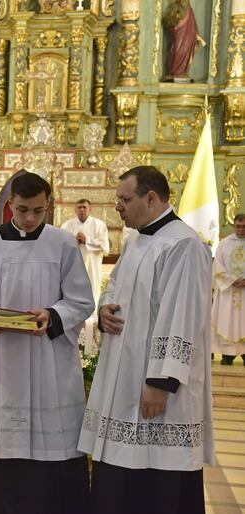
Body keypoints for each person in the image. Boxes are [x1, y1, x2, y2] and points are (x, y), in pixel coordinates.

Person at [78, 166, 213, 514]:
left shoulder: (184, 244)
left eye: (125, 200)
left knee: (156, 485)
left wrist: (161, 382)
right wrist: (105, 308)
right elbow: (116, 288)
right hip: (122, 383)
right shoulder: (136, 240)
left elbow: (182, 315)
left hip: (155, 390)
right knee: (119, 478)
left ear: (151, 198)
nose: (118, 208)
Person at [0, 171, 94, 514]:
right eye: (22, 210)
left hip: (46, 361)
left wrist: (52, 315)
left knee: (49, 468)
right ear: (9, 205)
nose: (30, 218)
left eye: (38, 211)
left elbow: (80, 300)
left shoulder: (62, 243)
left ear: (48, 205)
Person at [60, 199, 110, 303]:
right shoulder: (67, 225)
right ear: (75, 210)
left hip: (92, 263)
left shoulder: (99, 225)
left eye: (84, 207)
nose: (82, 210)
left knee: (92, 287)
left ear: (90, 209)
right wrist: (74, 241)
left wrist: (87, 240)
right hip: (73, 264)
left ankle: (92, 315)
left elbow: (104, 245)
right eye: (79, 207)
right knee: (73, 288)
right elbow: (60, 244)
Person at [212, 213, 245, 364]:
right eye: (238, 226)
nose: (241, 229)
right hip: (229, 290)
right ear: (234, 225)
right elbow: (217, 266)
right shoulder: (224, 244)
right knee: (228, 321)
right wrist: (232, 280)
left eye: (244, 227)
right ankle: (228, 353)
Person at [163, 0, 205, 80]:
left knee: (186, 52)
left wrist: (197, 36)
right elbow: (169, 20)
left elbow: (193, 25)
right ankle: (173, 72)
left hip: (188, 38)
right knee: (176, 51)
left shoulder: (190, 10)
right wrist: (175, 18)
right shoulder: (175, 6)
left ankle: (182, 73)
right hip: (178, 34)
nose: (185, 1)